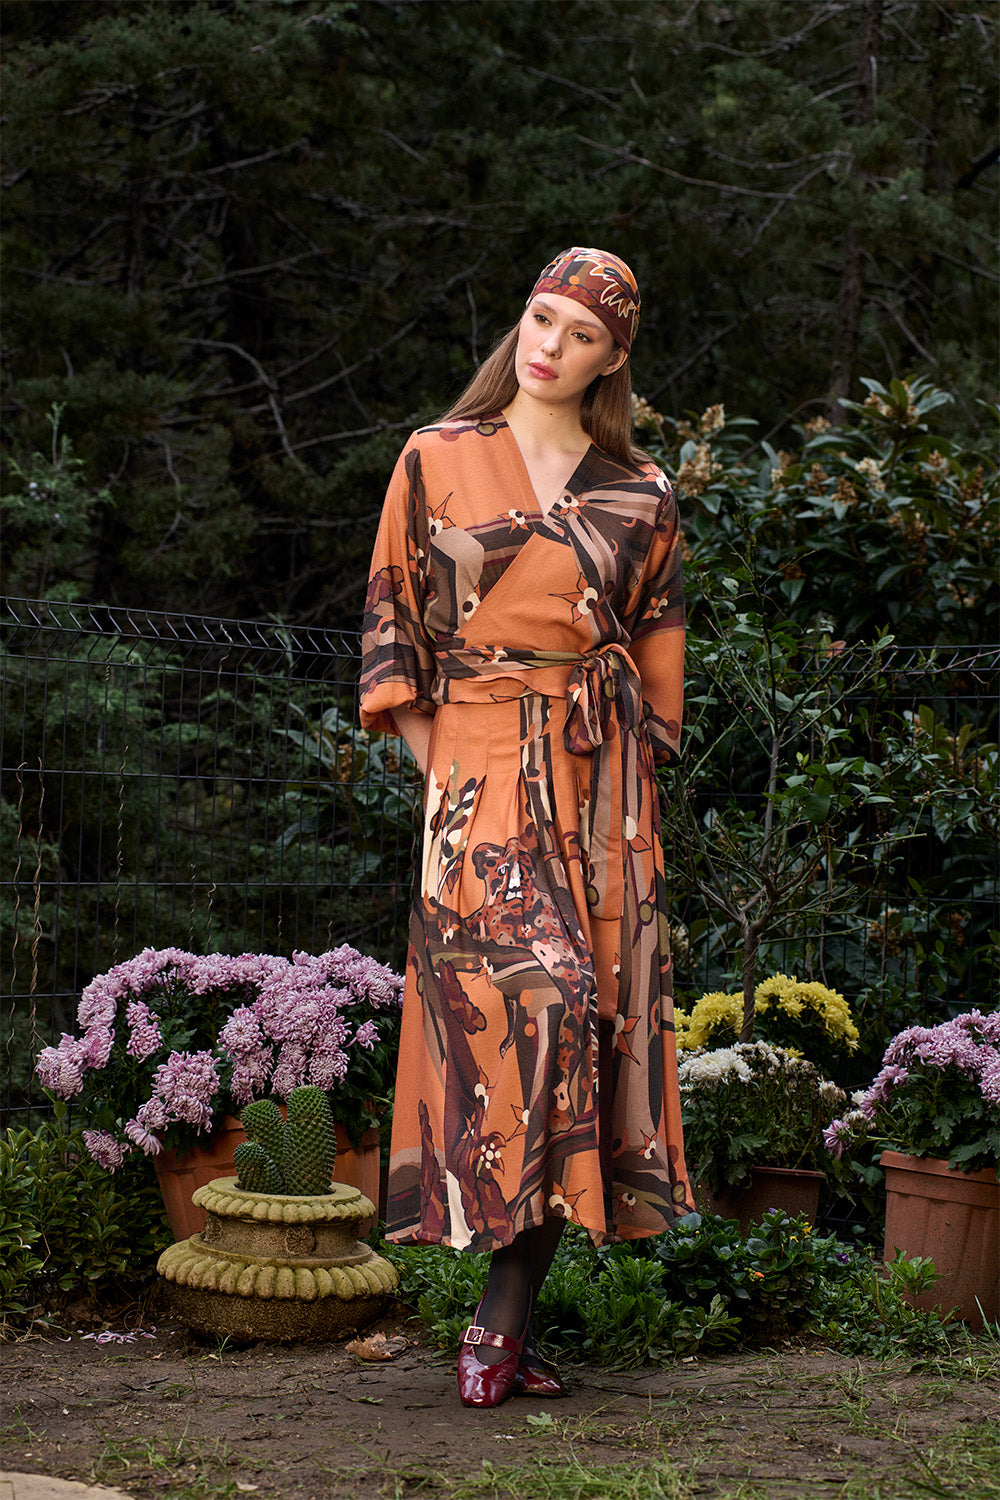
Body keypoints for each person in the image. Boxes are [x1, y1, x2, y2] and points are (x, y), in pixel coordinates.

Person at [360, 246, 692, 1408]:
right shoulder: (435, 456)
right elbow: (394, 643)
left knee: (582, 1034)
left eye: (581, 333)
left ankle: (502, 1321)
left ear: (612, 359)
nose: (551, 344)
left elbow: (659, 678)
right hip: (475, 779)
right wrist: (451, 785)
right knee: (530, 1007)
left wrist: (623, 810)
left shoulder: (641, 493)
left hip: (601, 792)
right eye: (542, 317)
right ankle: (499, 1315)